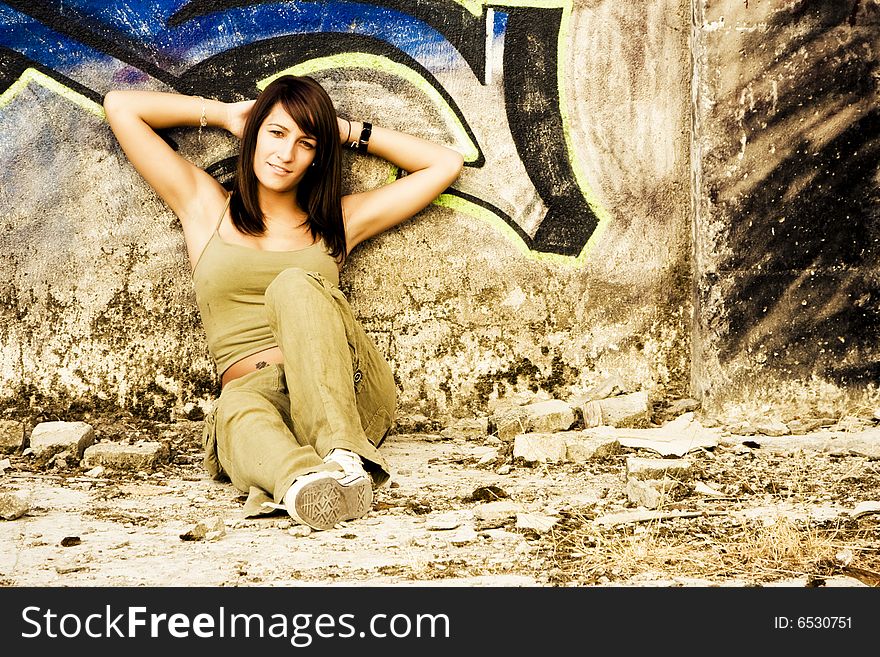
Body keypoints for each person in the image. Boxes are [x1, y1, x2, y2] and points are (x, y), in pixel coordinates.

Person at [103, 75, 463, 530]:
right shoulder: (206, 208)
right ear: (253, 135)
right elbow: (120, 106)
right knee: (233, 409)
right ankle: (305, 483)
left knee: (293, 284)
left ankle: (343, 455)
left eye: (306, 142)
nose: (286, 153)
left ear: (317, 157)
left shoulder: (337, 221)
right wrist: (226, 114)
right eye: (275, 133)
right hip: (257, 394)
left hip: (343, 396)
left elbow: (444, 164)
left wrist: (344, 131)